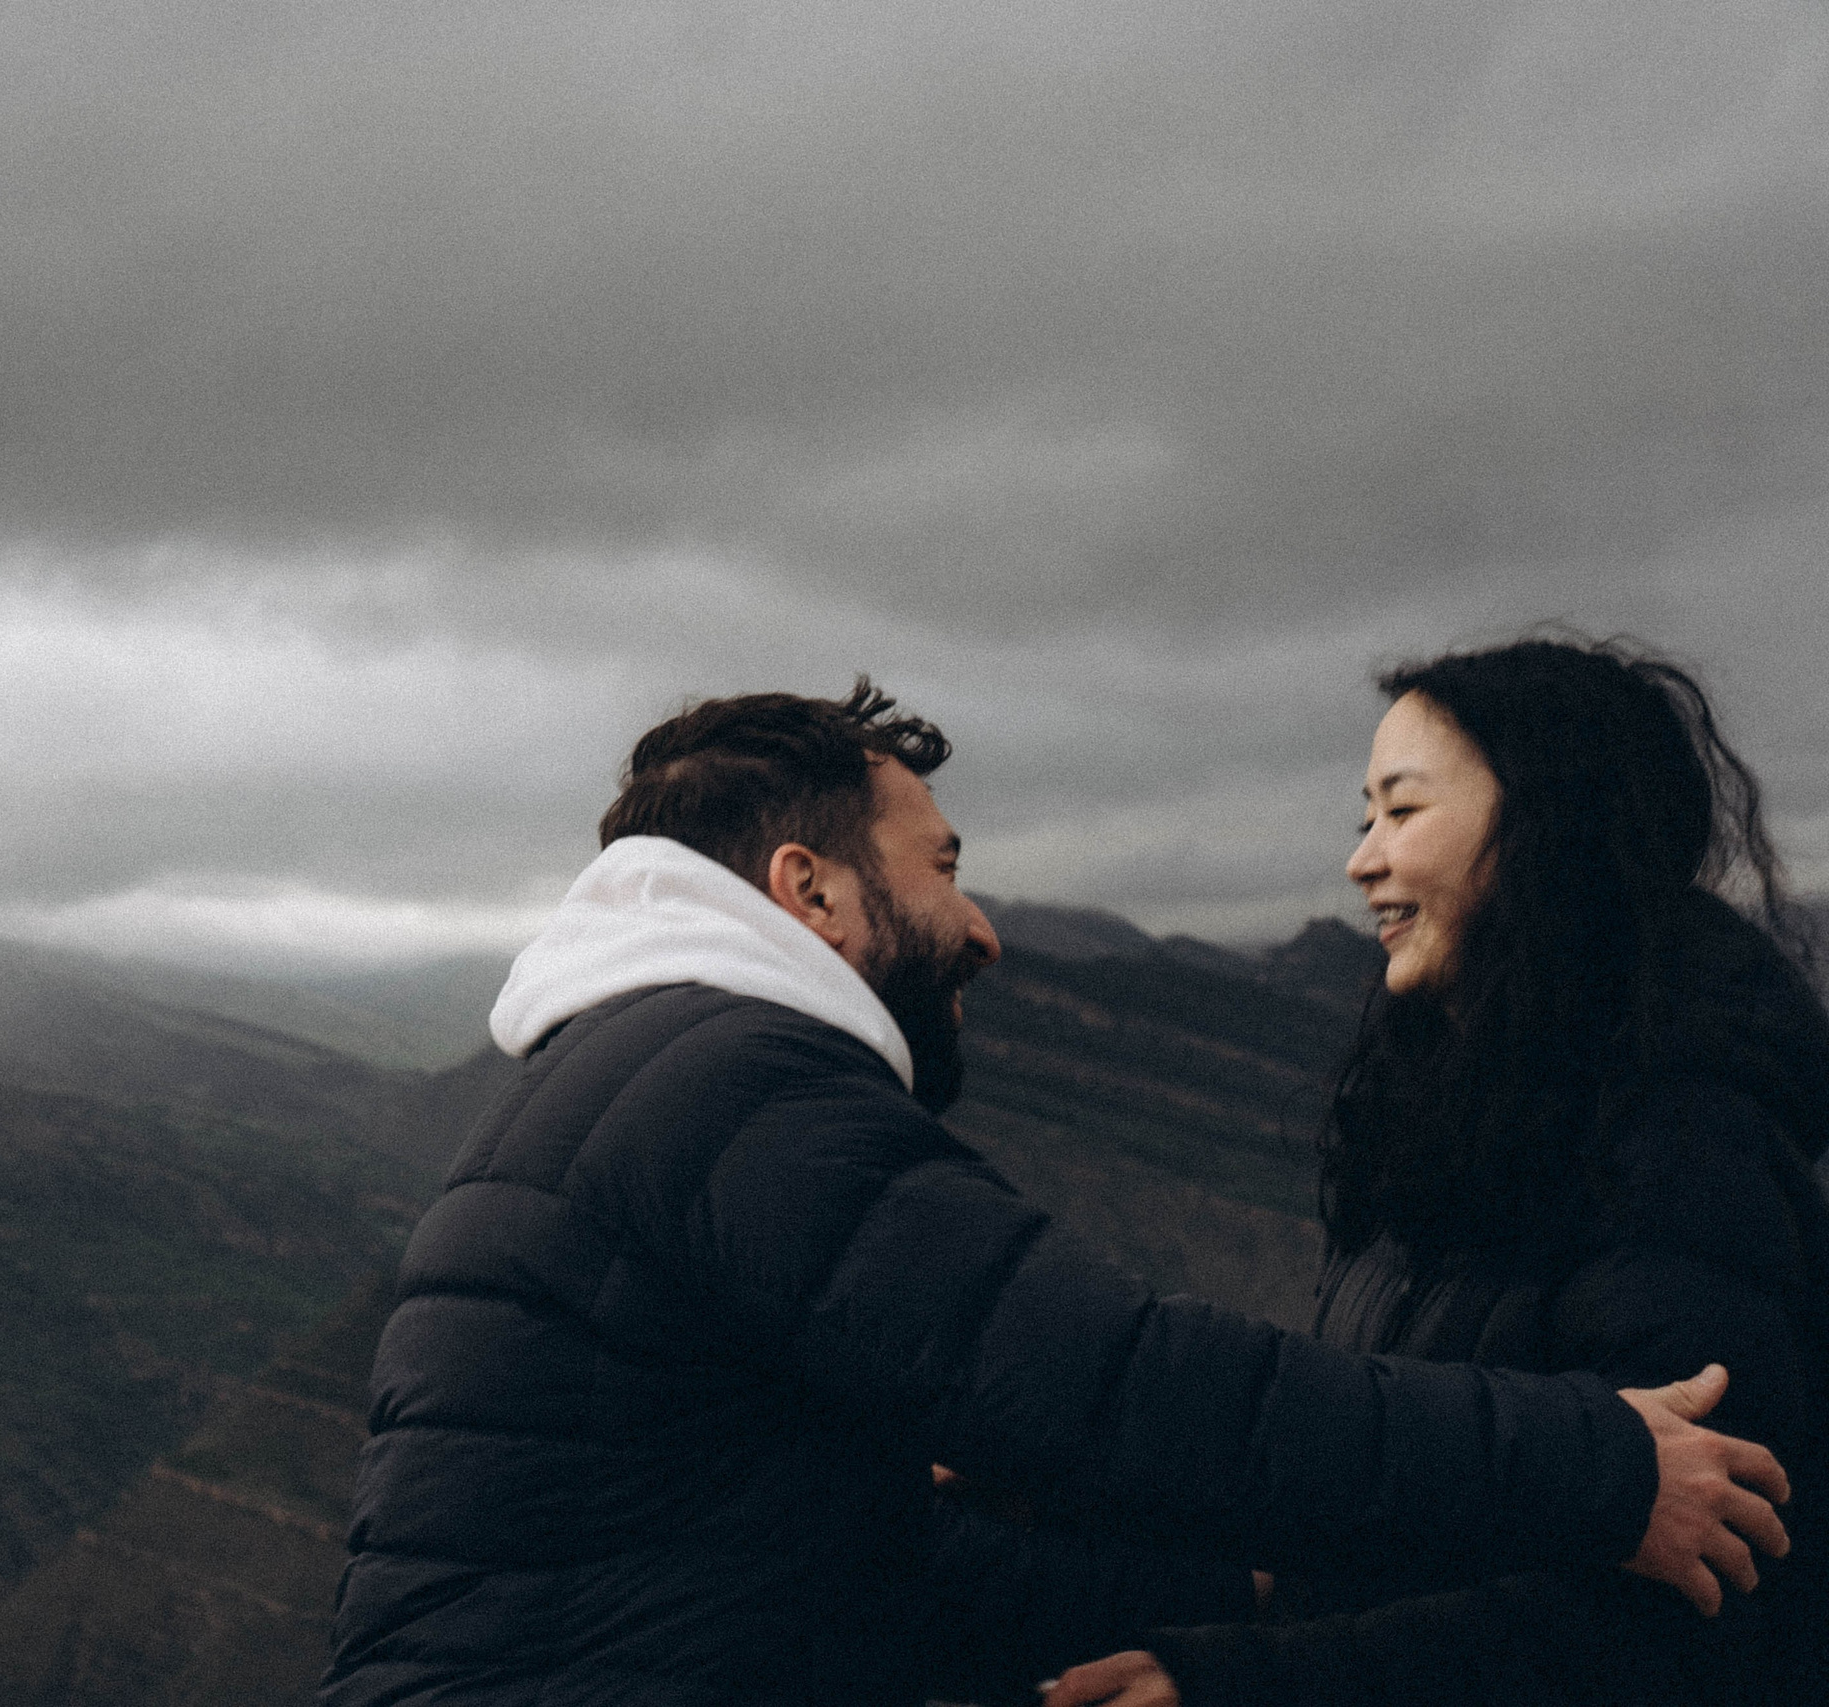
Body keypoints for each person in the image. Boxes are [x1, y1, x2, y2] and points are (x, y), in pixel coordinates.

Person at [323, 680, 1790, 1707]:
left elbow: (863, 1566)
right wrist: (1595, 1463)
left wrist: (1253, 1602)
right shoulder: (739, 1086)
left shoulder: (645, 1068)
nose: (981, 925)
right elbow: (1102, 1378)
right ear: (810, 889)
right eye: (944, 865)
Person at [1047, 637, 1829, 1707]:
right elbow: (1382, 1489)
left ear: (1552, 826)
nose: (1362, 860)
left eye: (1401, 812)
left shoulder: (1682, 1151)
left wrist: (1249, 1682)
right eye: (1362, 817)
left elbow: (1693, 1609)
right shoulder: (1455, 1126)